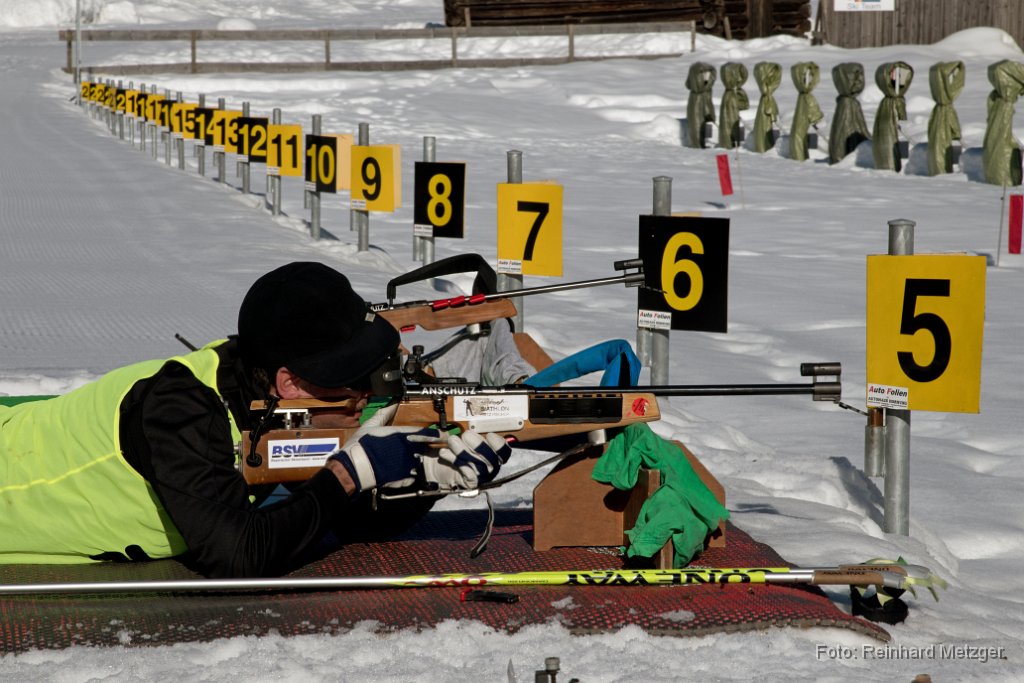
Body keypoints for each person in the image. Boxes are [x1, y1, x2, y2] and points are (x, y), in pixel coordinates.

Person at [0, 261, 511, 578]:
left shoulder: (260, 395)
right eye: (352, 380)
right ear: (288, 382)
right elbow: (238, 555)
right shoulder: (182, 412)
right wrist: (350, 471)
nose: (363, 397)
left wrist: (428, 480)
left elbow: (333, 520)